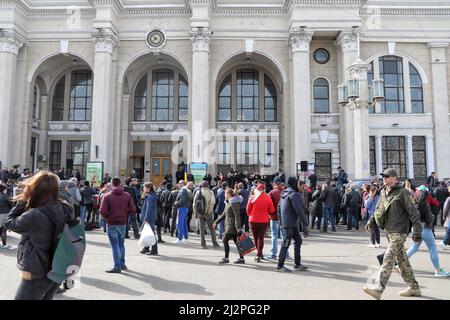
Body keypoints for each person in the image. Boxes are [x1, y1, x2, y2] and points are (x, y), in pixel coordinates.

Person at [5, 171, 74, 300]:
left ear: (35, 190)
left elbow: (9, 223)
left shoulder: (34, 215)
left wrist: (22, 201)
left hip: (37, 271)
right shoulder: (66, 208)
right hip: (58, 267)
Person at [363, 168, 423, 300]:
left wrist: (417, 231)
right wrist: (371, 221)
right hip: (389, 231)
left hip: (400, 231)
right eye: (383, 176)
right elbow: (379, 209)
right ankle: (414, 287)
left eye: (387, 176)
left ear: (395, 178)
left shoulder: (403, 193)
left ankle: (378, 289)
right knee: (402, 261)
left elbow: (414, 213)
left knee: (388, 258)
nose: (384, 178)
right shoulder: (384, 192)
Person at [406, 185, 450, 277]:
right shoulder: (425, 206)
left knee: (413, 248)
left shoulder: (414, 205)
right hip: (425, 229)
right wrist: (432, 217)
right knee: (432, 249)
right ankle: (438, 270)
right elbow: (429, 219)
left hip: (415, 228)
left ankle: (398, 263)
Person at [100, 177, 136, 273]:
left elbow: (102, 211)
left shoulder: (107, 196)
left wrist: (108, 217)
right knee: (121, 244)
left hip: (111, 223)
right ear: (120, 184)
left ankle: (117, 266)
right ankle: (122, 264)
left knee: (115, 245)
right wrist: (125, 215)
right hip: (122, 222)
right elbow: (133, 209)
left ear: (111, 184)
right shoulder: (127, 195)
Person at [277, 177, 309, 272]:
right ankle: (280, 266)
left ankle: (297, 264)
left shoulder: (284, 193)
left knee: (298, 241)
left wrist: (281, 222)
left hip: (289, 223)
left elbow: (278, 208)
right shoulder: (294, 194)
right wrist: (306, 224)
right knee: (285, 244)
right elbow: (298, 209)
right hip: (290, 223)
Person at [214, 189, 245, 264]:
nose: (224, 195)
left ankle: (226, 258)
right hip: (229, 224)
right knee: (236, 242)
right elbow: (223, 215)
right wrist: (216, 222)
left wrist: (238, 227)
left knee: (225, 239)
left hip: (232, 225)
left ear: (229, 194)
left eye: (225, 193)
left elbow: (237, 216)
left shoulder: (234, 203)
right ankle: (241, 259)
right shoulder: (229, 202)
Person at [246, 182, 275, 262]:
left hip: (253, 220)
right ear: (264, 189)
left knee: (255, 238)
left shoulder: (252, 197)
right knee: (261, 238)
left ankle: (259, 253)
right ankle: (259, 254)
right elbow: (272, 210)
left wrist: (251, 215)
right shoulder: (268, 197)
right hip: (264, 221)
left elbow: (248, 210)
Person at [193, 181, 219, 249]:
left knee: (201, 229)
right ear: (208, 186)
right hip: (208, 213)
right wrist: (209, 211)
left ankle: (203, 244)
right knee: (211, 228)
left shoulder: (198, 192)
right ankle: (214, 243)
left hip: (200, 212)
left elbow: (194, 204)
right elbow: (212, 202)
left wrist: (195, 212)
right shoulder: (210, 192)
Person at [140, 182, 159, 255]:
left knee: (151, 234)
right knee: (146, 233)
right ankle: (146, 247)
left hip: (149, 218)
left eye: (144, 187)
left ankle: (154, 250)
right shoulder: (150, 195)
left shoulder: (150, 197)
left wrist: (146, 219)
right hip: (150, 217)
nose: (143, 189)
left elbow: (149, 209)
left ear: (148, 188)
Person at [268, 177, 283, 259]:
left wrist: (270, 213)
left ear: (274, 184)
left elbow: (269, 206)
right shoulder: (284, 192)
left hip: (274, 217)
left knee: (274, 236)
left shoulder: (272, 193)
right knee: (284, 236)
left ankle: (273, 254)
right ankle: (285, 253)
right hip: (283, 218)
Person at [0, 183, 14, 249]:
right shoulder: (6, 196)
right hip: (4, 214)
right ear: (3, 189)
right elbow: (12, 205)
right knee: (3, 230)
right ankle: (4, 245)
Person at [440, 185, 450, 249]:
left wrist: (444, 216)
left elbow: (445, 208)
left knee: (449, 230)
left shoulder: (449, 198)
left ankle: (444, 242)